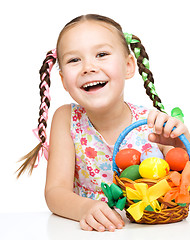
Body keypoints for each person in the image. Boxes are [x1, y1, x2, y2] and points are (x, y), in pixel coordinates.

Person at [17, 14, 190, 232]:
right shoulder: (66, 119)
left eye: (101, 54)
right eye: (74, 60)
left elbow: (184, 182)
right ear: (63, 81)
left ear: (128, 66)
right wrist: (84, 208)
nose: (88, 67)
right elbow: (55, 192)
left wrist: (181, 145)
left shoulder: (152, 123)